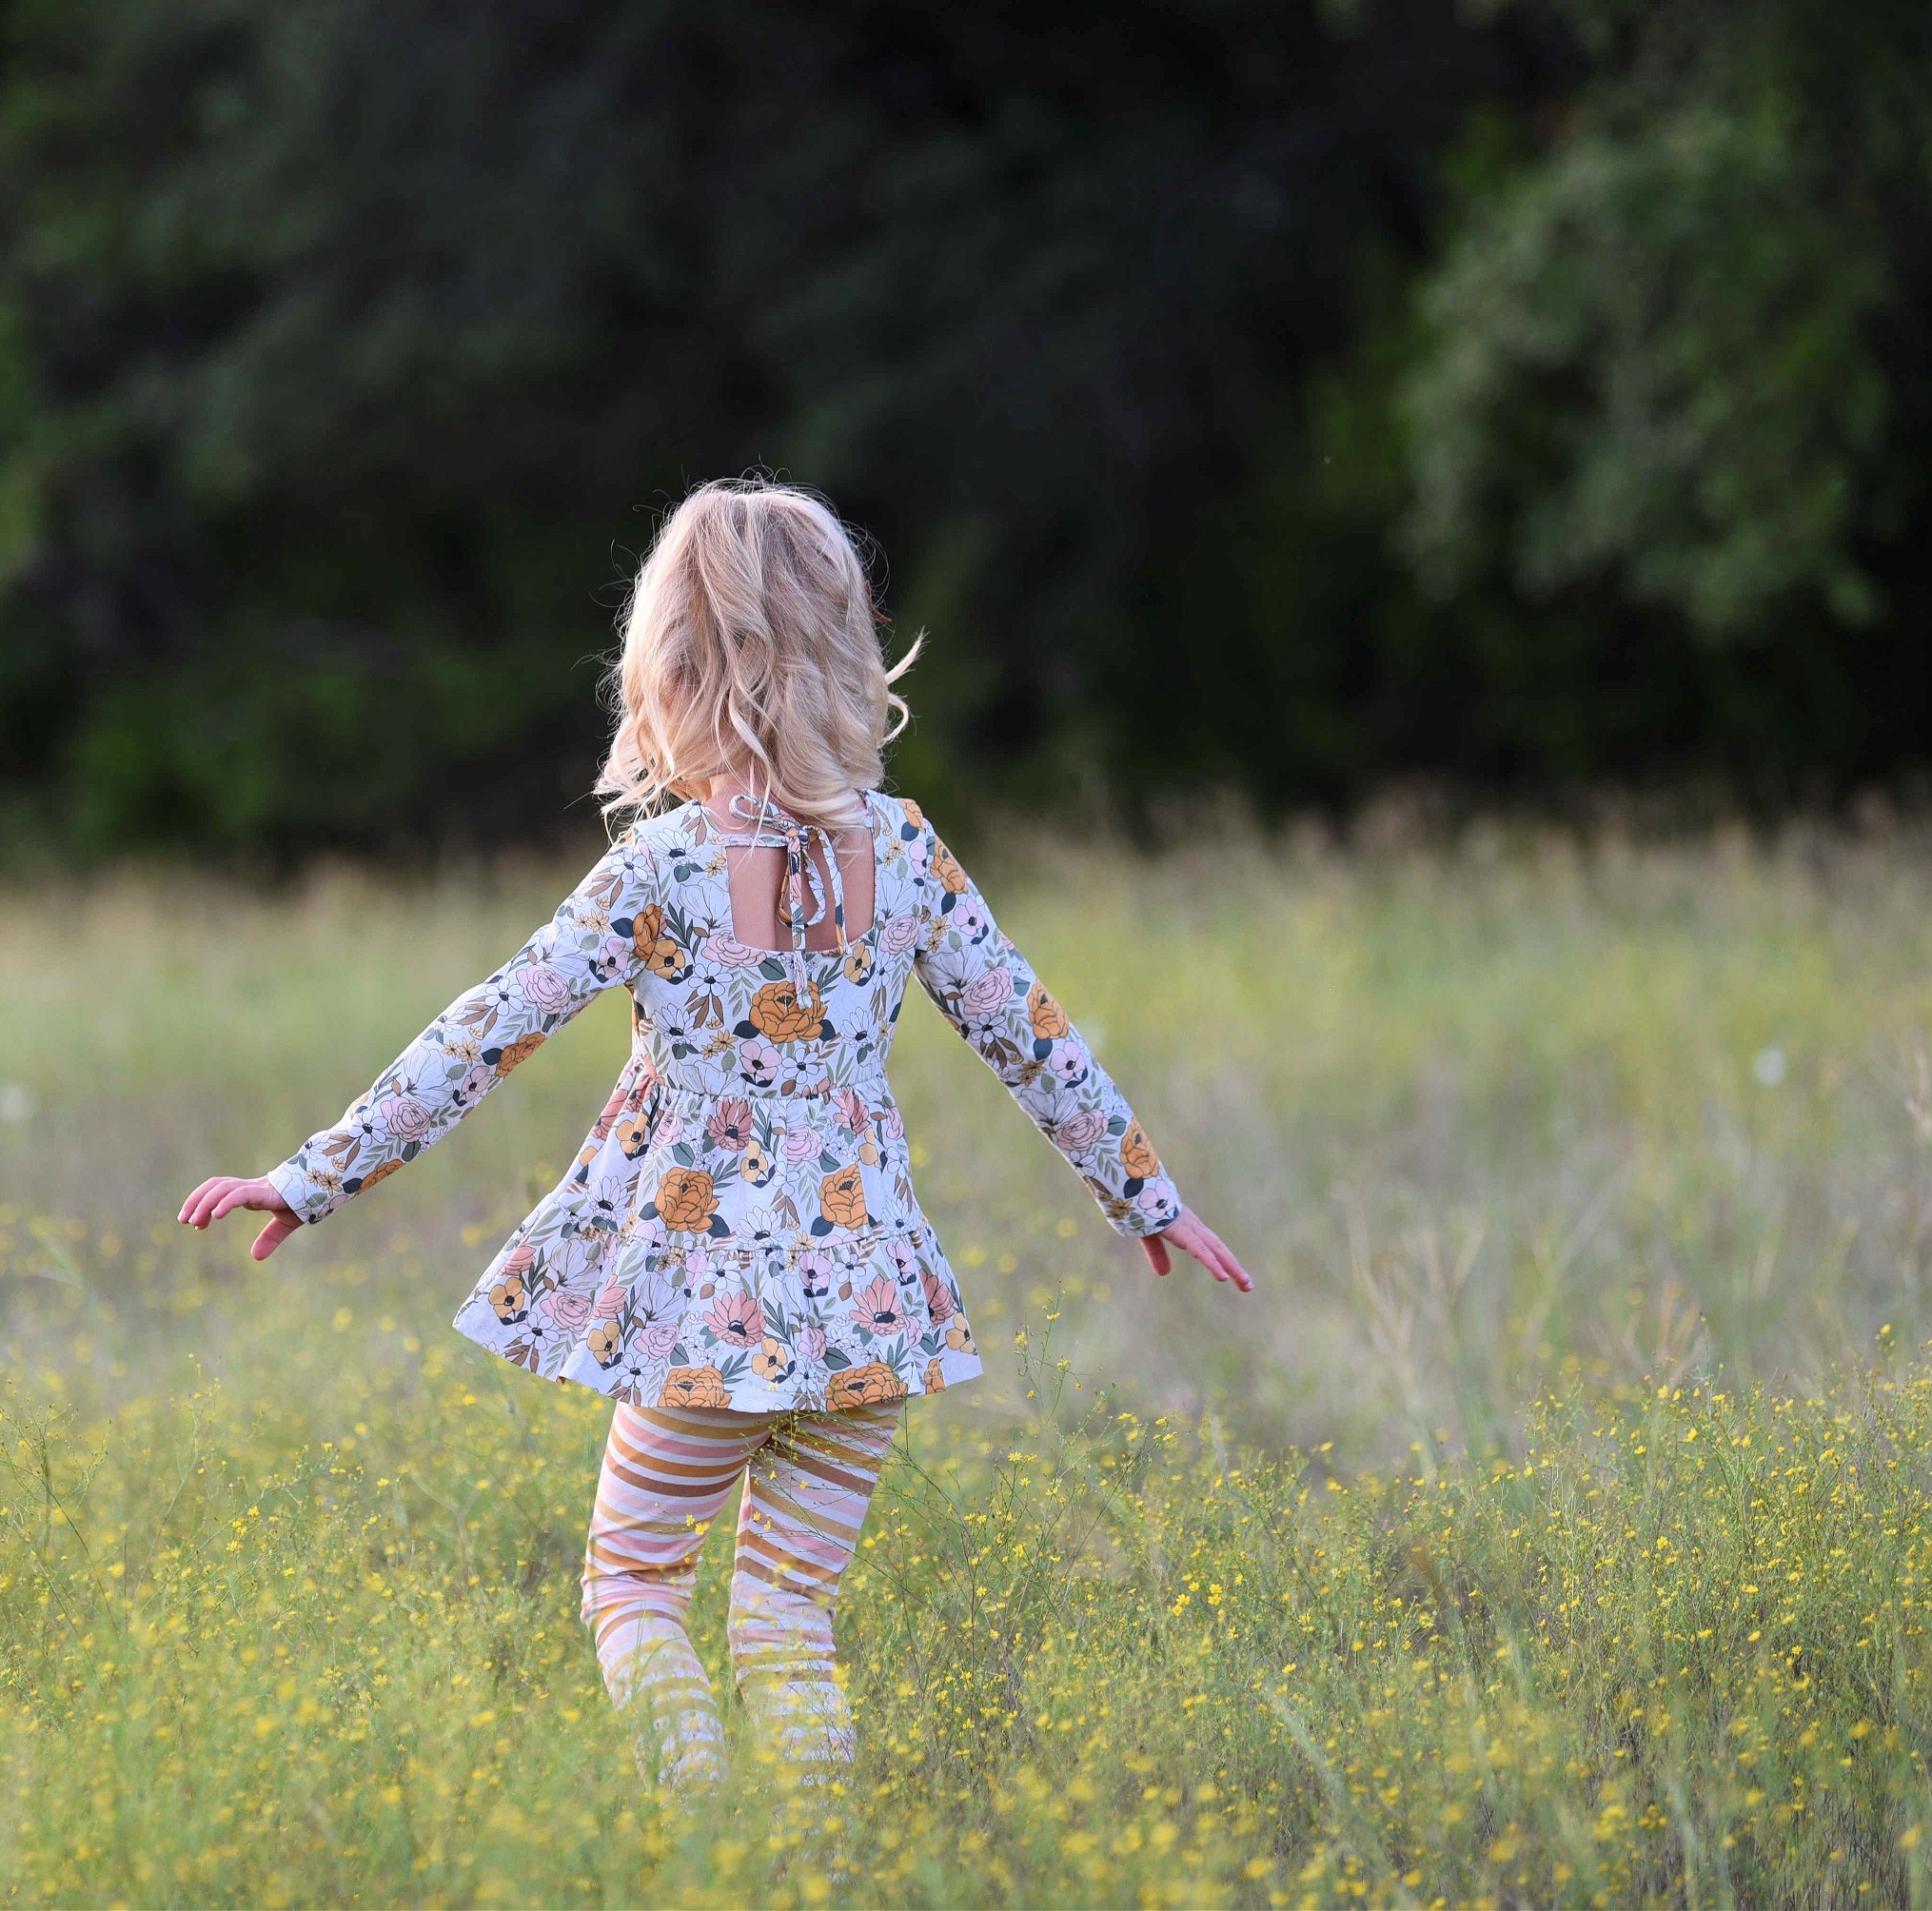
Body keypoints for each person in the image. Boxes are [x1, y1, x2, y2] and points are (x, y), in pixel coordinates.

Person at [180, 478, 1252, 1810]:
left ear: (671, 668)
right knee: (790, 1621)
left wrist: (311, 1174)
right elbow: (1034, 1036)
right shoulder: (908, 853)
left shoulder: (664, 869)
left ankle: (707, 1854)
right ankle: (811, 1871)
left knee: (631, 1585)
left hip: (708, 1315)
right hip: (871, 1311)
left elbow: (482, 1034)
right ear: (845, 658)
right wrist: (1146, 1196)